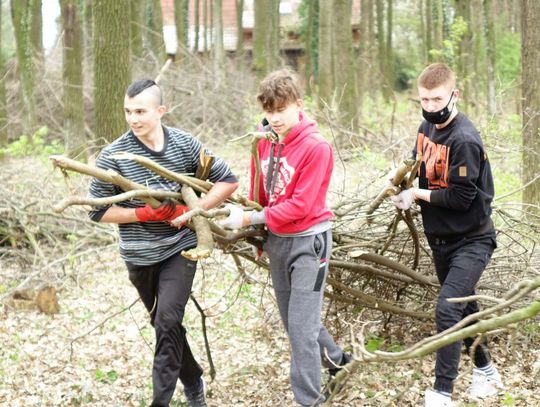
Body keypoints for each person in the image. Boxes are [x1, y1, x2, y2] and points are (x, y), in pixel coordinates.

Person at [88, 79, 238, 407]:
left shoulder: (184, 144)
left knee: (168, 320)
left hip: (180, 247)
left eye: (140, 111)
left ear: (160, 110)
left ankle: (162, 401)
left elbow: (228, 180)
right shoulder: (113, 156)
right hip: (138, 256)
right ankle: (193, 376)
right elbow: (97, 213)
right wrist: (143, 213)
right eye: (128, 111)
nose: (133, 118)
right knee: (164, 323)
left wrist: (193, 210)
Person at [218, 68, 351, 407]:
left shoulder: (315, 147)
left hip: (310, 243)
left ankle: (310, 400)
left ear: (298, 105)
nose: (274, 118)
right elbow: (261, 189)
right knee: (295, 324)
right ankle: (340, 363)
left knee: (302, 332)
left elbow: (300, 206)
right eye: (269, 111)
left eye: (281, 110)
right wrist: (258, 229)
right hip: (277, 240)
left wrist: (250, 217)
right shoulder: (265, 141)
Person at [389, 63, 503, 407]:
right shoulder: (427, 126)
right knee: (465, 307)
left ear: (454, 94)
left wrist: (418, 195)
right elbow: (417, 163)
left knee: (447, 309)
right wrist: (401, 184)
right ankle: (486, 371)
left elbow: (460, 197)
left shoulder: (464, 139)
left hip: (473, 239)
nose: (431, 105)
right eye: (424, 98)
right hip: (441, 239)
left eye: (437, 98)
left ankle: (442, 392)